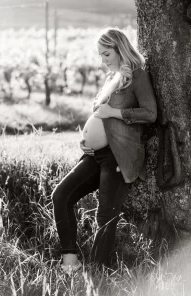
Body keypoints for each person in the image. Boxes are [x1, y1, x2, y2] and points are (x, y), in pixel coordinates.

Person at [51, 27, 157, 273]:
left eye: (106, 54)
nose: (102, 61)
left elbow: (151, 113)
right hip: (96, 154)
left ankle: (97, 273)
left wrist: (115, 112)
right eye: (100, 55)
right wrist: (88, 141)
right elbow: (100, 118)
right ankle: (70, 262)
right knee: (61, 195)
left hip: (119, 155)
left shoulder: (137, 76)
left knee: (105, 215)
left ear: (120, 49)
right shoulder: (113, 78)